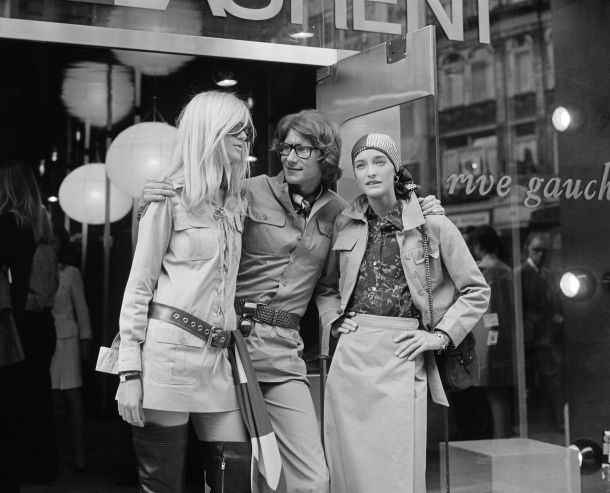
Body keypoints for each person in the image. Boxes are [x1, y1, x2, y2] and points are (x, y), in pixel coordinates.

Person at [140, 111, 444, 493]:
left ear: (325, 155)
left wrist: (427, 210)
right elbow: (188, 212)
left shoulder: (341, 213)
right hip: (231, 349)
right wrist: (146, 202)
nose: (290, 156)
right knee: (237, 474)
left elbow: (338, 278)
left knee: (312, 480)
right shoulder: (247, 191)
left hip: (284, 353)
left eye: (302, 148)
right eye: (285, 147)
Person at [99, 91, 258, 493]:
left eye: (246, 131)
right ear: (210, 133)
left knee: (234, 478)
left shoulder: (237, 201)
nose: (244, 138)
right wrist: (129, 373)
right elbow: (138, 287)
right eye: (235, 130)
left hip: (218, 359)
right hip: (167, 359)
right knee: (162, 483)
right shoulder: (168, 197)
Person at [315, 133, 490, 493]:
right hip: (351, 356)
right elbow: (327, 287)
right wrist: (334, 320)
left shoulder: (432, 225)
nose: (370, 172)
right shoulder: (344, 224)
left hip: (401, 352)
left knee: (395, 470)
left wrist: (439, 336)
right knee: (345, 466)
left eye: (379, 162)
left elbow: (476, 290)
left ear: (395, 168)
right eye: (361, 165)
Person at [0, 160, 59, 486]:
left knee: (7, 404)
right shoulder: (38, 222)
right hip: (42, 324)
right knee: (36, 400)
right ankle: (38, 467)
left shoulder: (8, 224)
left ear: (7, 187)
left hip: (16, 327)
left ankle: (11, 470)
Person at [50, 225, 92, 470]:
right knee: (49, 397)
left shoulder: (71, 272)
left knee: (72, 395)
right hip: (46, 337)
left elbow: (81, 307)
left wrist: (86, 339)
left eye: (56, 242)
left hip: (67, 338)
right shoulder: (36, 266)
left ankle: (79, 454)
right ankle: (52, 451)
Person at [467, 225, 515, 438]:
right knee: (499, 393)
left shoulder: (482, 271)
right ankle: (501, 437)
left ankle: (498, 439)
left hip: (485, 336)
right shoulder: (505, 269)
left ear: (477, 246)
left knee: (492, 393)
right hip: (502, 335)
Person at [517, 231, 565, 430]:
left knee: (553, 379)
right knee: (527, 383)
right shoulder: (521, 274)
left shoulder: (548, 273)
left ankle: (558, 421)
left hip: (546, 336)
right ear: (527, 249)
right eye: (536, 250)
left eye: (544, 251)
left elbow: (555, 301)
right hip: (529, 337)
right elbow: (518, 308)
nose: (541, 255)